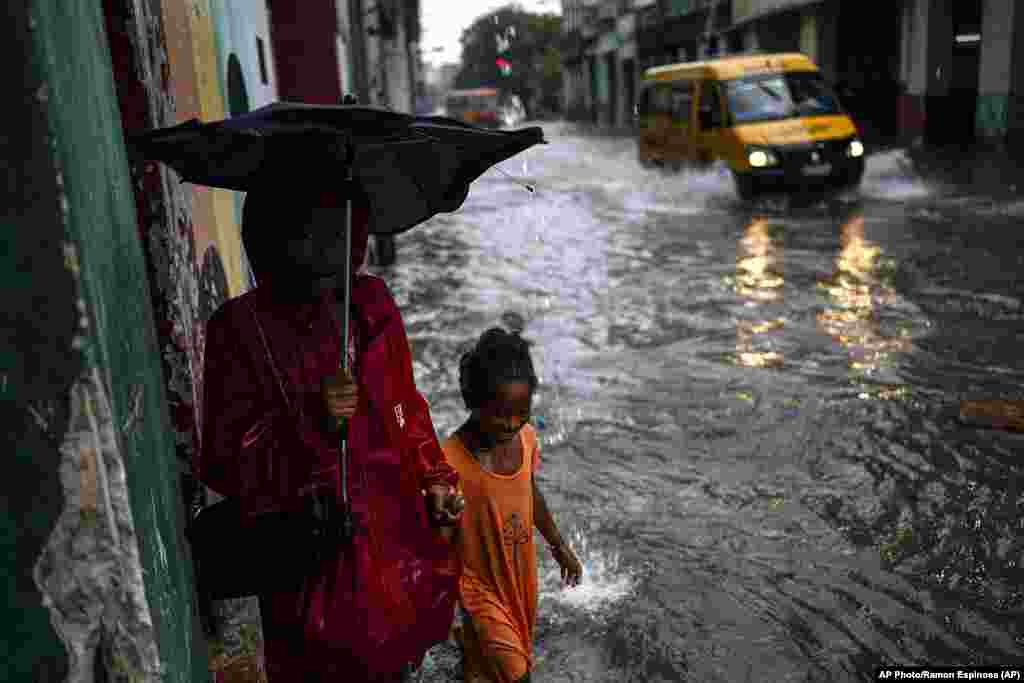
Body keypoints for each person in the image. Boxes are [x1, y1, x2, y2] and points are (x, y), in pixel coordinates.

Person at [199, 179, 465, 682]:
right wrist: (309, 420)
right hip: (311, 566)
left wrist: (436, 480)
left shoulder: (370, 304)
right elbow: (223, 462)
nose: (331, 252)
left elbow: (407, 409)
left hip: (394, 549)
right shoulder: (239, 328)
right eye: (313, 236)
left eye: (341, 236)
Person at [440, 328, 583, 683]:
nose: (511, 423)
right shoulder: (449, 460)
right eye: (500, 413)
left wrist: (559, 546)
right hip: (476, 585)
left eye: (521, 411)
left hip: (518, 578)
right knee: (516, 674)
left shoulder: (527, 440)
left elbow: (529, 493)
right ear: (473, 401)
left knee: (484, 670)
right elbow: (437, 532)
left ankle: (471, 660)